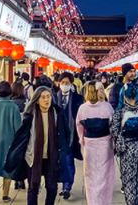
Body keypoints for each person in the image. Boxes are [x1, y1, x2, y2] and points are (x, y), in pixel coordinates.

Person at [4, 87, 69, 205]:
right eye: (43, 97)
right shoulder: (30, 115)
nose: (46, 100)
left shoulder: (57, 113)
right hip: (33, 157)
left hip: (52, 157)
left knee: (52, 187)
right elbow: (22, 137)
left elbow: (65, 133)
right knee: (33, 187)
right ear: (37, 100)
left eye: (48, 96)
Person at [111, 82, 138, 205]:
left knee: (128, 181)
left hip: (127, 150)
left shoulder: (120, 111)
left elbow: (114, 130)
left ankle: (131, 203)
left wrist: (122, 137)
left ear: (124, 96)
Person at [75, 81, 115, 203]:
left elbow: (79, 127)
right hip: (105, 143)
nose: (103, 91)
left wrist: (82, 139)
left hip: (89, 144)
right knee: (105, 175)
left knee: (90, 175)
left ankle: (93, 201)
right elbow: (113, 126)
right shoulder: (107, 107)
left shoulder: (83, 108)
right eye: (101, 89)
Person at [53, 71, 83, 200]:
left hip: (71, 135)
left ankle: (67, 187)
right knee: (58, 162)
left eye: (67, 83)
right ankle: (61, 183)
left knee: (69, 161)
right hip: (56, 135)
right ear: (59, 83)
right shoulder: (53, 97)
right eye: (63, 83)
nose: (64, 85)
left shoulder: (78, 99)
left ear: (71, 84)